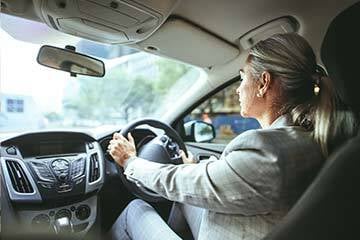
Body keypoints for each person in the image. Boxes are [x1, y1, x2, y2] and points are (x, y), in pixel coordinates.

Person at [106, 33, 358, 240]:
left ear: (263, 83)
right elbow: (233, 178)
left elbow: (175, 181)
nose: (238, 89)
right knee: (184, 199)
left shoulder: (266, 150)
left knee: (134, 211)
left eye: (242, 79)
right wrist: (198, 168)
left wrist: (130, 162)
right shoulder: (315, 138)